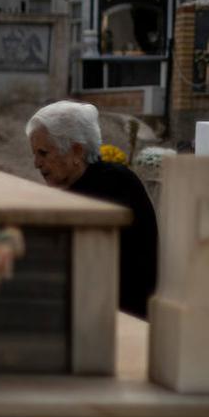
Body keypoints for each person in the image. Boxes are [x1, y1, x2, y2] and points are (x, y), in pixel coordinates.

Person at [26, 100, 157, 318]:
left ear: (76, 151)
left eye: (43, 153)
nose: (36, 164)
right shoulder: (83, 183)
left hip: (122, 317)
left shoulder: (114, 186)